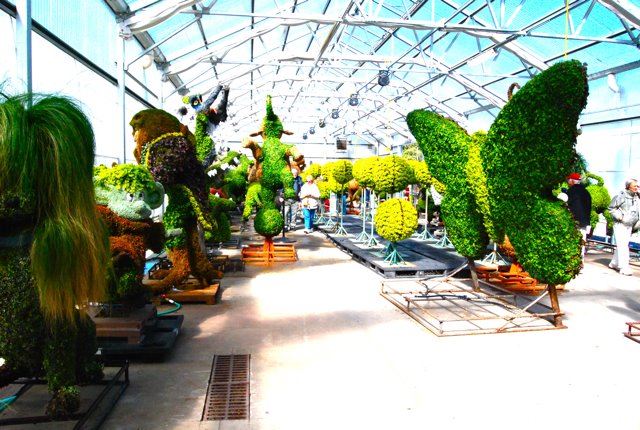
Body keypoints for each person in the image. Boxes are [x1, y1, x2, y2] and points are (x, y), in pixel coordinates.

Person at [608, 178, 640, 276]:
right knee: (623, 246)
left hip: (630, 224)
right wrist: (621, 217)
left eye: (638, 186)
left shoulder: (636, 196)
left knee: (623, 244)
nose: (637, 187)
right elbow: (611, 208)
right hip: (620, 224)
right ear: (628, 186)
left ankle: (614, 263)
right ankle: (623, 267)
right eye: (635, 186)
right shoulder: (621, 196)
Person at [566, 173, 592, 260]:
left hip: (574, 221)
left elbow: (566, 204)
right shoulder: (586, 192)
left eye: (568, 180)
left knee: (571, 242)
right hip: (584, 222)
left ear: (572, 181)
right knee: (581, 242)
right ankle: (580, 260)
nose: (568, 182)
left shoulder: (571, 191)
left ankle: (571, 261)